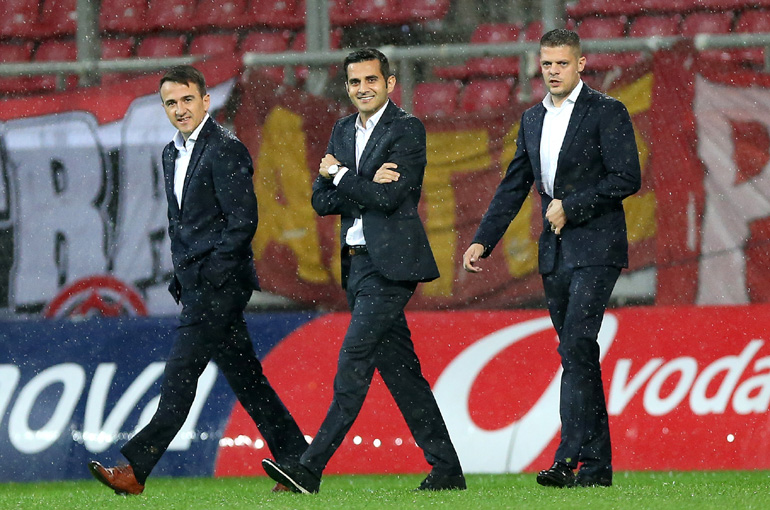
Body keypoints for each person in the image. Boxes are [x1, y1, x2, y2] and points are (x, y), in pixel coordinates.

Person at [88, 65, 307, 495]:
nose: (180, 109)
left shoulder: (225, 148)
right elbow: (181, 222)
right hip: (198, 284)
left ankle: (135, 469)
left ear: (206, 101)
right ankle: (298, 461)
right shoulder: (171, 153)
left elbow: (243, 220)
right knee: (247, 379)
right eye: (171, 103)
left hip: (218, 287)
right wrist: (183, 274)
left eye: (187, 99)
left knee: (180, 376)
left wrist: (213, 273)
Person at [261, 48, 465, 494]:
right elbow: (320, 200)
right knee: (403, 375)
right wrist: (363, 181)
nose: (362, 88)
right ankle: (447, 469)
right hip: (356, 266)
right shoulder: (341, 129)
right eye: (355, 82)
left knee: (353, 361)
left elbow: (391, 198)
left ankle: (309, 469)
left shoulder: (407, 128)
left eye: (371, 80)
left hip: (390, 268)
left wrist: (341, 176)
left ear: (390, 83)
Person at [463, 29, 641, 488]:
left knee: (576, 344)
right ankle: (597, 468)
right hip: (556, 251)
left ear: (581, 64)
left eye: (562, 63)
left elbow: (627, 177)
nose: (554, 72)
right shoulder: (532, 119)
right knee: (578, 353)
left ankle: (566, 458)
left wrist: (572, 206)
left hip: (596, 247)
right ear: (538, 66)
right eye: (547, 64)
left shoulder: (607, 111)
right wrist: (484, 240)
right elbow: (513, 185)